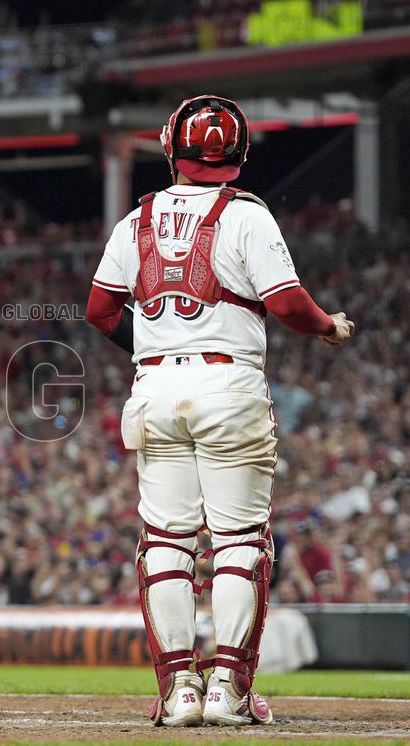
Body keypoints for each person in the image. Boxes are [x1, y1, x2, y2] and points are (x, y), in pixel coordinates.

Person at [86, 95, 354, 727]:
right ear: (237, 154)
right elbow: (286, 303)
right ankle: (228, 689)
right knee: (238, 541)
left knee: (166, 541)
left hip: (154, 388)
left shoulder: (135, 219)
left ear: (170, 147)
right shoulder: (248, 216)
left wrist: (155, 346)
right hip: (228, 384)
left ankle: (178, 690)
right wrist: (328, 328)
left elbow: (99, 312)